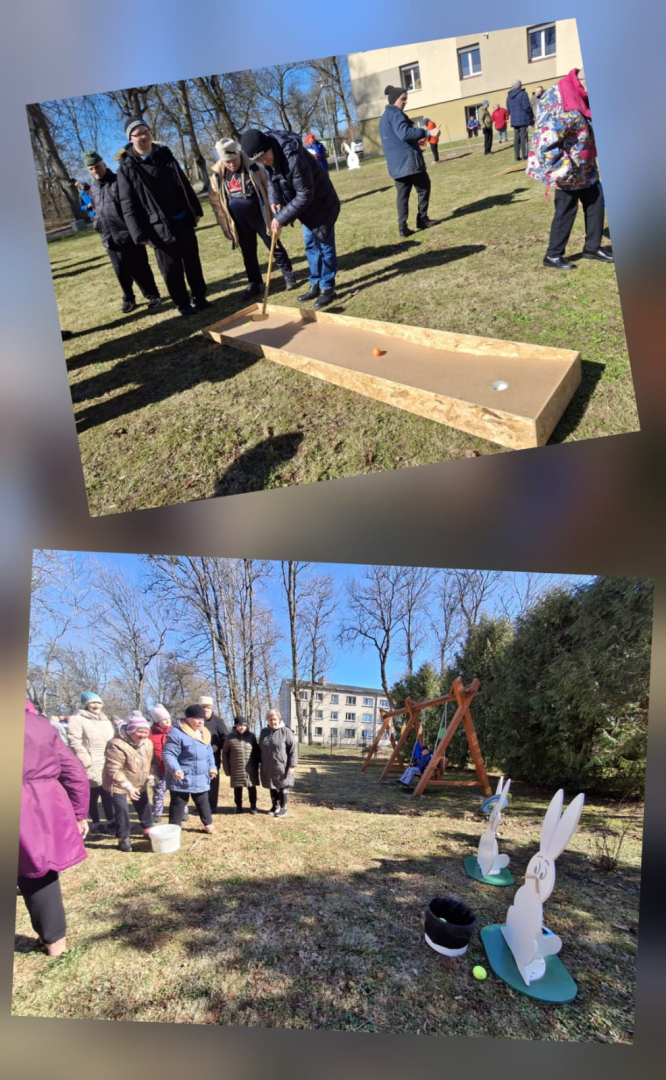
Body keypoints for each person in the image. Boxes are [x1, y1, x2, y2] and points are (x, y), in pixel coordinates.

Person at [116, 117, 209, 318]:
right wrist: (138, 233)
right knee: (171, 269)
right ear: (131, 139)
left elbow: (183, 182)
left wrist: (195, 209)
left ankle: (200, 298)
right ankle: (183, 304)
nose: (144, 136)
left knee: (192, 261)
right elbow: (127, 204)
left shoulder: (164, 154)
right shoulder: (127, 167)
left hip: (182, 219)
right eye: (138, 133)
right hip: (157, 227)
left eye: (146, 131)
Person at [240, 127, 341, 310]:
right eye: (258, 160)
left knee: (325, 246)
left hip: (321, 204)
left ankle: (328, 288)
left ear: (269, 146)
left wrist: (281, 219)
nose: (263, 161)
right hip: (305, 210)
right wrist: (275, 199)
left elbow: (305, 194)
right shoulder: (264, 160)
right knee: (310, 245)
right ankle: (315, 283)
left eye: (264, 156)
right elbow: (271, 182)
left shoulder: (294, 158)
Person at [19, 701, 90, 957]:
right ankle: (55, 943)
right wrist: (79, 813)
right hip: (38, 806)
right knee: (39, 870)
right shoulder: (39, 725)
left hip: (31, 802)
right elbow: (73, 771)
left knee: (36, 868)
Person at [527, 68, 614, 269]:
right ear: (584, 80)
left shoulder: (585, 94)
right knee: (566, 207)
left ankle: (592, 247)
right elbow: (545, 140)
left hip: (585, 163)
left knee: (595, 200)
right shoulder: (557, 97)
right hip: (565, 165)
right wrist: (560, 170)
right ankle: (553, 255)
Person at [208, 138, 297, 304]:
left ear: (239, 154)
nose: (230, 165)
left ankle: (289, 275)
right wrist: (225, 226)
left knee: (274, 244)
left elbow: (269, 185)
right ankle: (254, 282)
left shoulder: (254, 165)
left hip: (260, 215)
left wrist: (274, 206)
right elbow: (216, 203)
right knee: (248, 252)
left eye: (233, 160)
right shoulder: (217, 173)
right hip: (238, 220)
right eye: (226, 162)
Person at [84, 150, 161, 314]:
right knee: (120, 271)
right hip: (108, 237)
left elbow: (134, 206)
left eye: (97, 166)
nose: (95, 171)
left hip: (128, 234)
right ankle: (129, 299)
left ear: (104, 164)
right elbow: (97, 210)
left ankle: (152, 295)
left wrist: (138, 230)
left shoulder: (120, 181)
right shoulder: (93, 189)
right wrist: (97, 223)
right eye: (91, 168)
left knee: (140, 268)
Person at [377, 86, 440, 238]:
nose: (405, 102)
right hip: (409, 162)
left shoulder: (384, 117)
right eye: (403, 99)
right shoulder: (396, 113)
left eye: (406, 99)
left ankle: (402, 227)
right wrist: (427, 132)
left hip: (396, 165)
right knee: (424, 186)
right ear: (394, 100)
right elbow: (404, 133)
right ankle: (422, 219)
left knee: (402, 195)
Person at [102, 712, 156, 852]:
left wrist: (152, 775)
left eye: (146, 732)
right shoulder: (116, 744)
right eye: (140, 732)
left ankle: (147, 829)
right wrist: (128, 787)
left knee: (144, 805)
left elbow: (152, 762)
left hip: (140, 781)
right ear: (131, 730)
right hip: (118, 783)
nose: (144, 735)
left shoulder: (148, 743)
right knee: (122, 810)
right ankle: (123, 838)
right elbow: (113, 769)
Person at [66, 691, 116, 834]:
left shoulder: (105, 720)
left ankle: (111, 820)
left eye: (99, 703)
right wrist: (85, 759)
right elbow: (74, 741)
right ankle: (95, 822)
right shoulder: (78, 719)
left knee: (107, 791)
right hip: (91, 760)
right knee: (92, 794)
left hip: (106, 759)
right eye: (93, 703)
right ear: (86, 705)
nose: (96, 706)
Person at [163, 704, 217, 833]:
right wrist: (175, 769)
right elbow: (168, 754)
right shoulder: (177, 733)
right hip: (183, 775)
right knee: (178, 802)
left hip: (201, 775)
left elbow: (209, 753)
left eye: (202, 719)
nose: (200, 722)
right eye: (197, 718)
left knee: (202, 800)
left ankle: (208, 824)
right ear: (188, 718)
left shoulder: (204, 733)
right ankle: (174, 829)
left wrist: (212, 767)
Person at [258, 708, 297, 819]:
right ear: (267, 719)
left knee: (283, 786)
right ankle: (275, 806)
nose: (272, 722)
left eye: (274, 719)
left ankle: (283, 807)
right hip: (268, 765)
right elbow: (260, 748)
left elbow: (293, 750)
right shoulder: (264, 732)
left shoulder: (286, 731)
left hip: (282, 765)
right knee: (272, 785)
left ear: (279, 719)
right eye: (270, 719)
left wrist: (292, 765)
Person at [223, 715, 260, 813]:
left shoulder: (252, 736)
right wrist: (227, 769)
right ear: (235, 726)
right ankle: (238, 806)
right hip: (236, 767)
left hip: (250, 767)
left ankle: (253, 806)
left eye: (243, 725)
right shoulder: (230, 737)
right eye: (239, 725)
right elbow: (225, 754)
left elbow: (256, 751)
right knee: (237, 788)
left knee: (252, 787)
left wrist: (258, 765)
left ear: (246, 725)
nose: (241, 727)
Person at [198, 694, 229, 812]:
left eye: (208, 707)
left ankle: (212, 805)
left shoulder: (218, 722)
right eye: (203, 707)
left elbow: (225, 736)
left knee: (213, 781)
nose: (206, 710)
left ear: (212, 709)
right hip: (197, 757)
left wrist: (217, 746)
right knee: (199, 781)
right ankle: (200, 805)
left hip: (213, 756)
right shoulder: (195, 721)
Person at [148, 704, 172, 822]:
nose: (167, 721)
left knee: (177, 791)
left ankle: (182, 810)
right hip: (157, 769)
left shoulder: (174, 732)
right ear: (158, 721)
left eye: (168, 718)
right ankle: (157, 813)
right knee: (158, 791)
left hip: (172, 769)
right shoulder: (150, 734)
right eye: (164, 719)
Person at [506, 79, 534, 162]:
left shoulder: (509, 96)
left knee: (516, 138)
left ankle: (516, 156)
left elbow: (508, 109)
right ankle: (524, 156)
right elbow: (527, 107)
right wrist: (530, 115)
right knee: (524, 137)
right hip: (523, 118)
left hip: (514, 119)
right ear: (519, 85)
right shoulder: (523, 94)